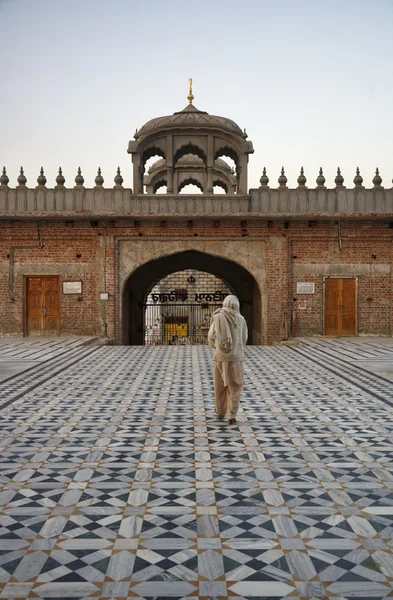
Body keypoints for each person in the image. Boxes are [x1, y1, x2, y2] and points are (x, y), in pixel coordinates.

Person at [208, 295, 248, 425]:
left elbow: (210, 337)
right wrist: (238, 349)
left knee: (220, 385)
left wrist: (218, 348)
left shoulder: (218, 317)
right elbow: (244, 338)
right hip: (236, 358)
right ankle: (231, 416)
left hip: (220, 357)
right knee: (235, 386)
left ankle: (220, 410)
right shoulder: (241, 319)